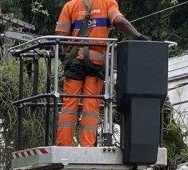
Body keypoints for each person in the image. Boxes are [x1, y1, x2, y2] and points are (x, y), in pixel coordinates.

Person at [55, 0, 146, 148]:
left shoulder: (70, 5)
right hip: (96, 65)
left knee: (69, 105)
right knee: (91, 106)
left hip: (75, 61)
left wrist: (68, 56)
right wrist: (138, 36)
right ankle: (88, 146)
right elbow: (119, 21)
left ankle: (63, 145)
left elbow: (61, 37)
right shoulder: (108, 3)